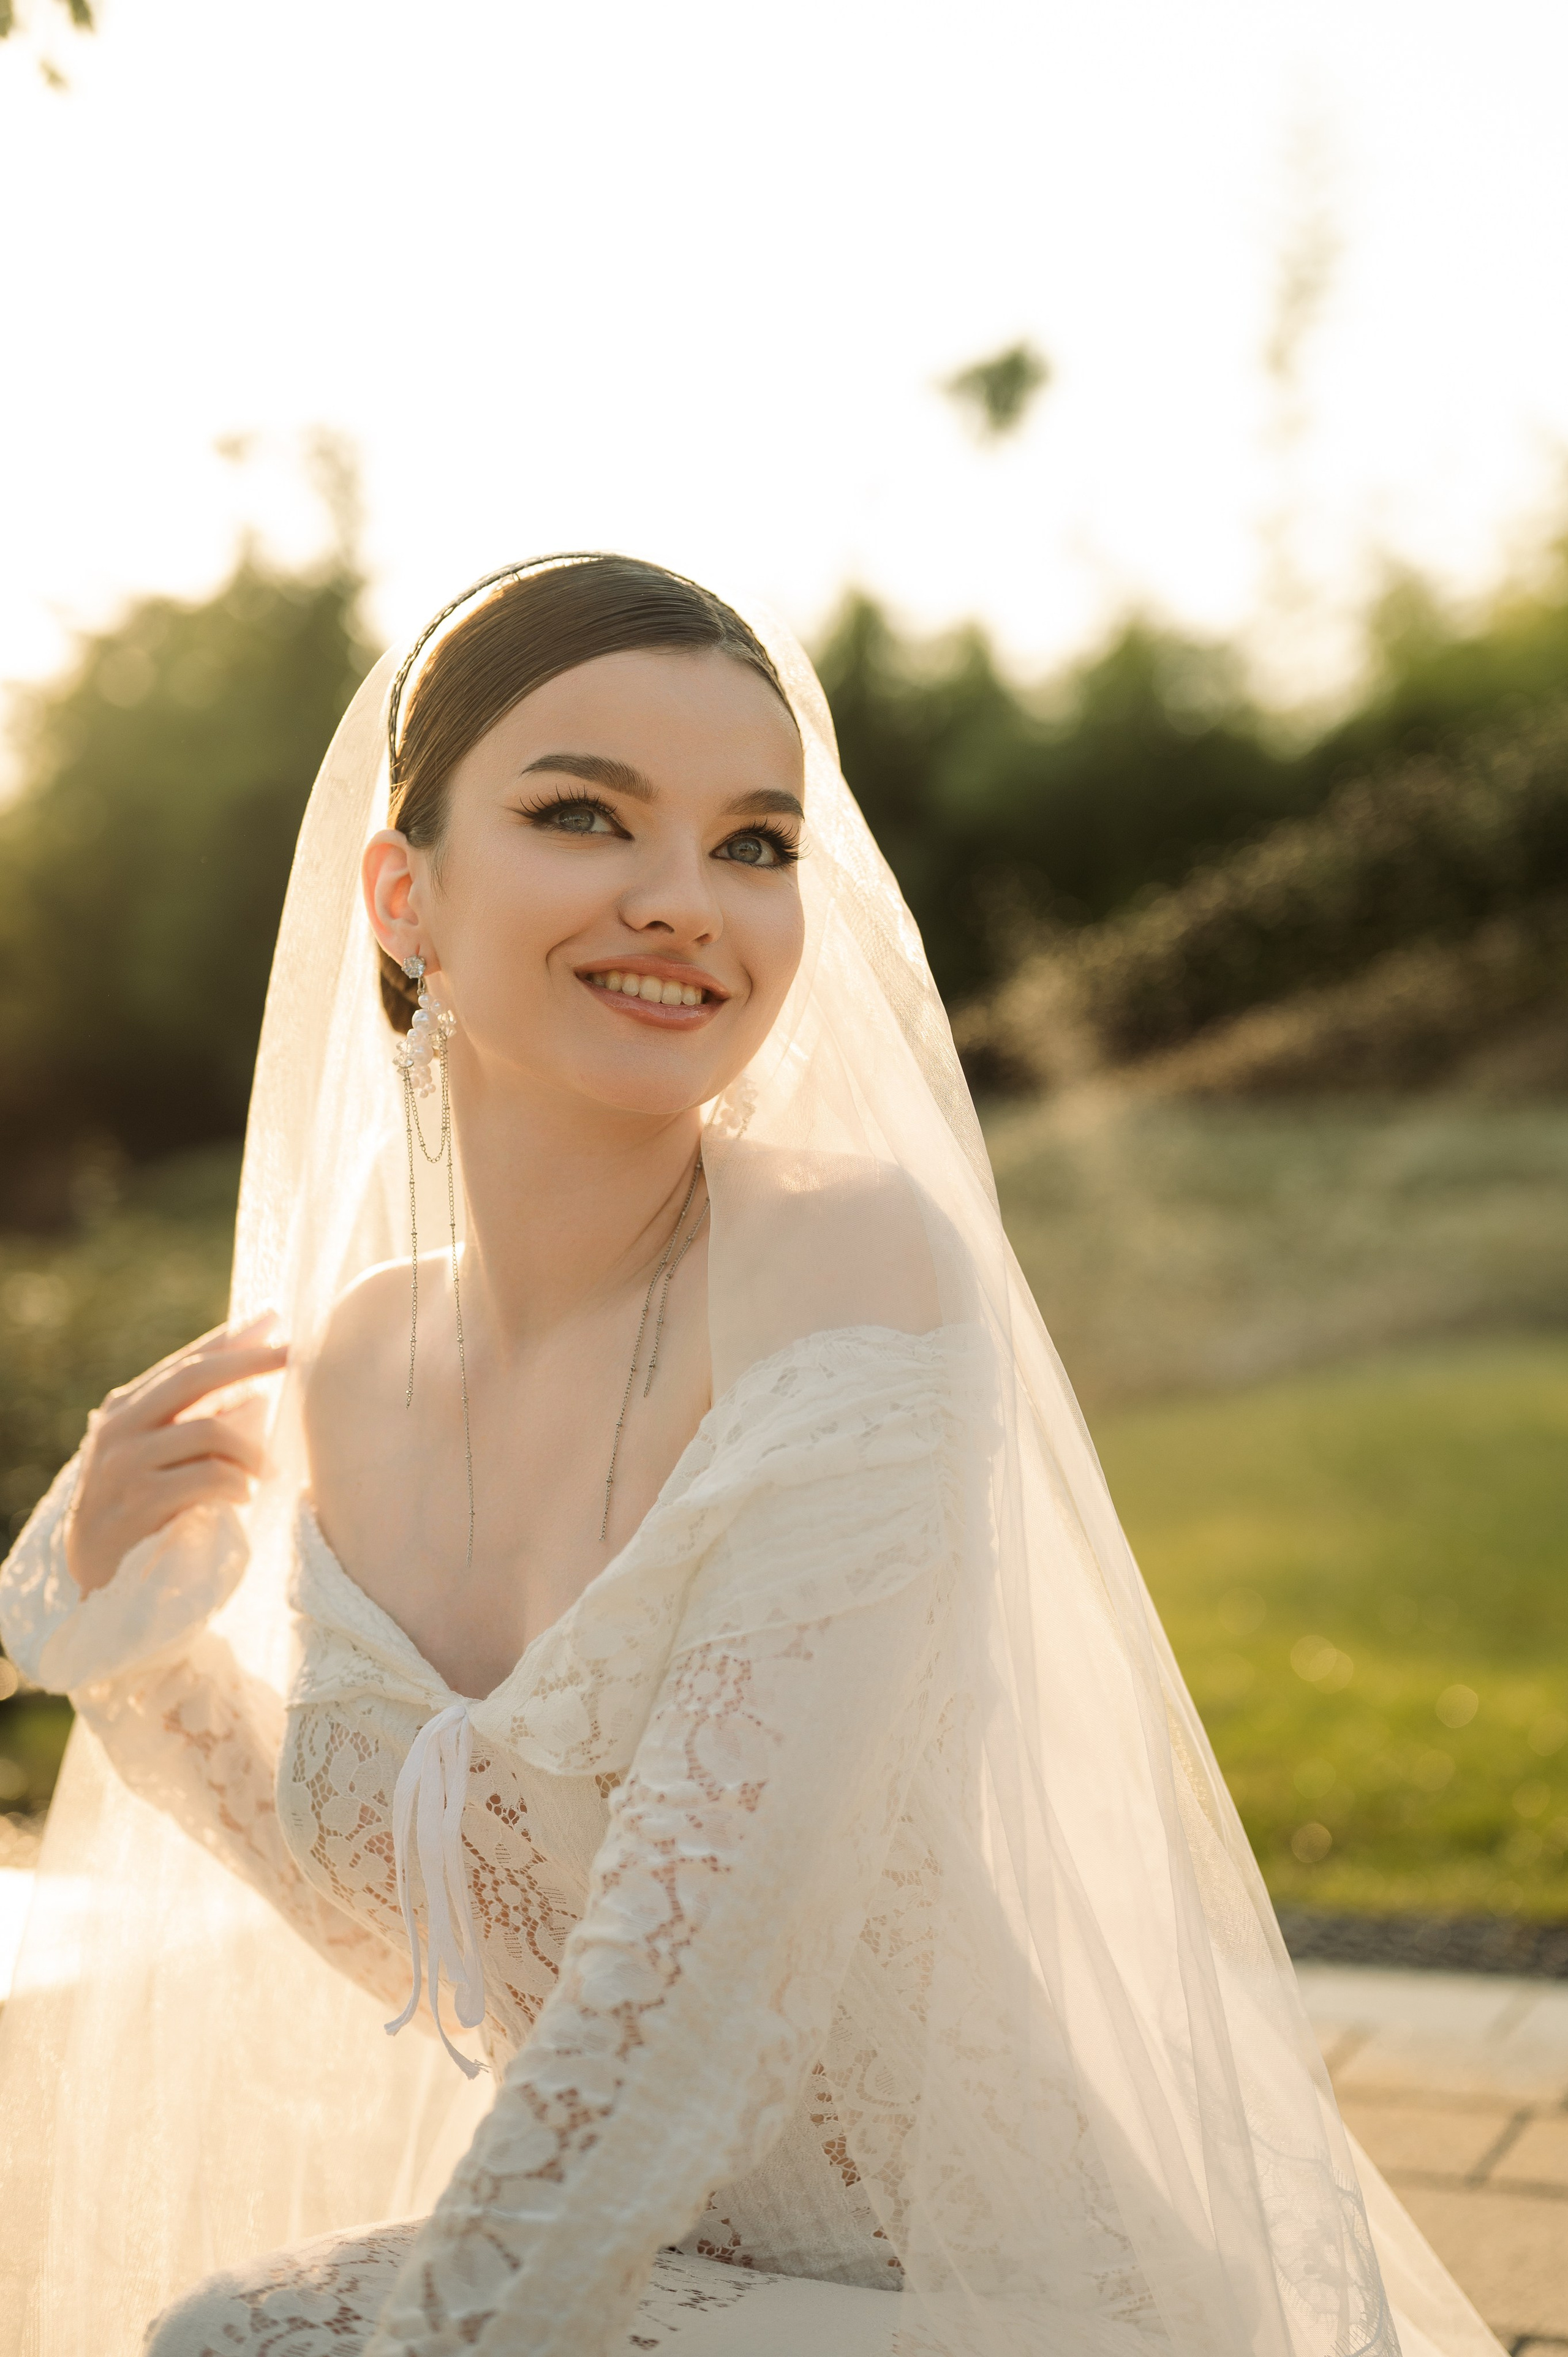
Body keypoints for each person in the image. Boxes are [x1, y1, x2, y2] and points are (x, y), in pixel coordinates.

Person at [0, 556, 1501, 2357]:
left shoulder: (848, 1264)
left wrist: (444, 2345)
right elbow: (454, 1955)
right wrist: (142, 1652)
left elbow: (692, 1993)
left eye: (756, 844)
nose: (683, 904)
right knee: (210, 2333)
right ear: (405, 898)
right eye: (583, 815)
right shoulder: (363, 1359)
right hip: (673, 2267)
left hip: (990, 2292)